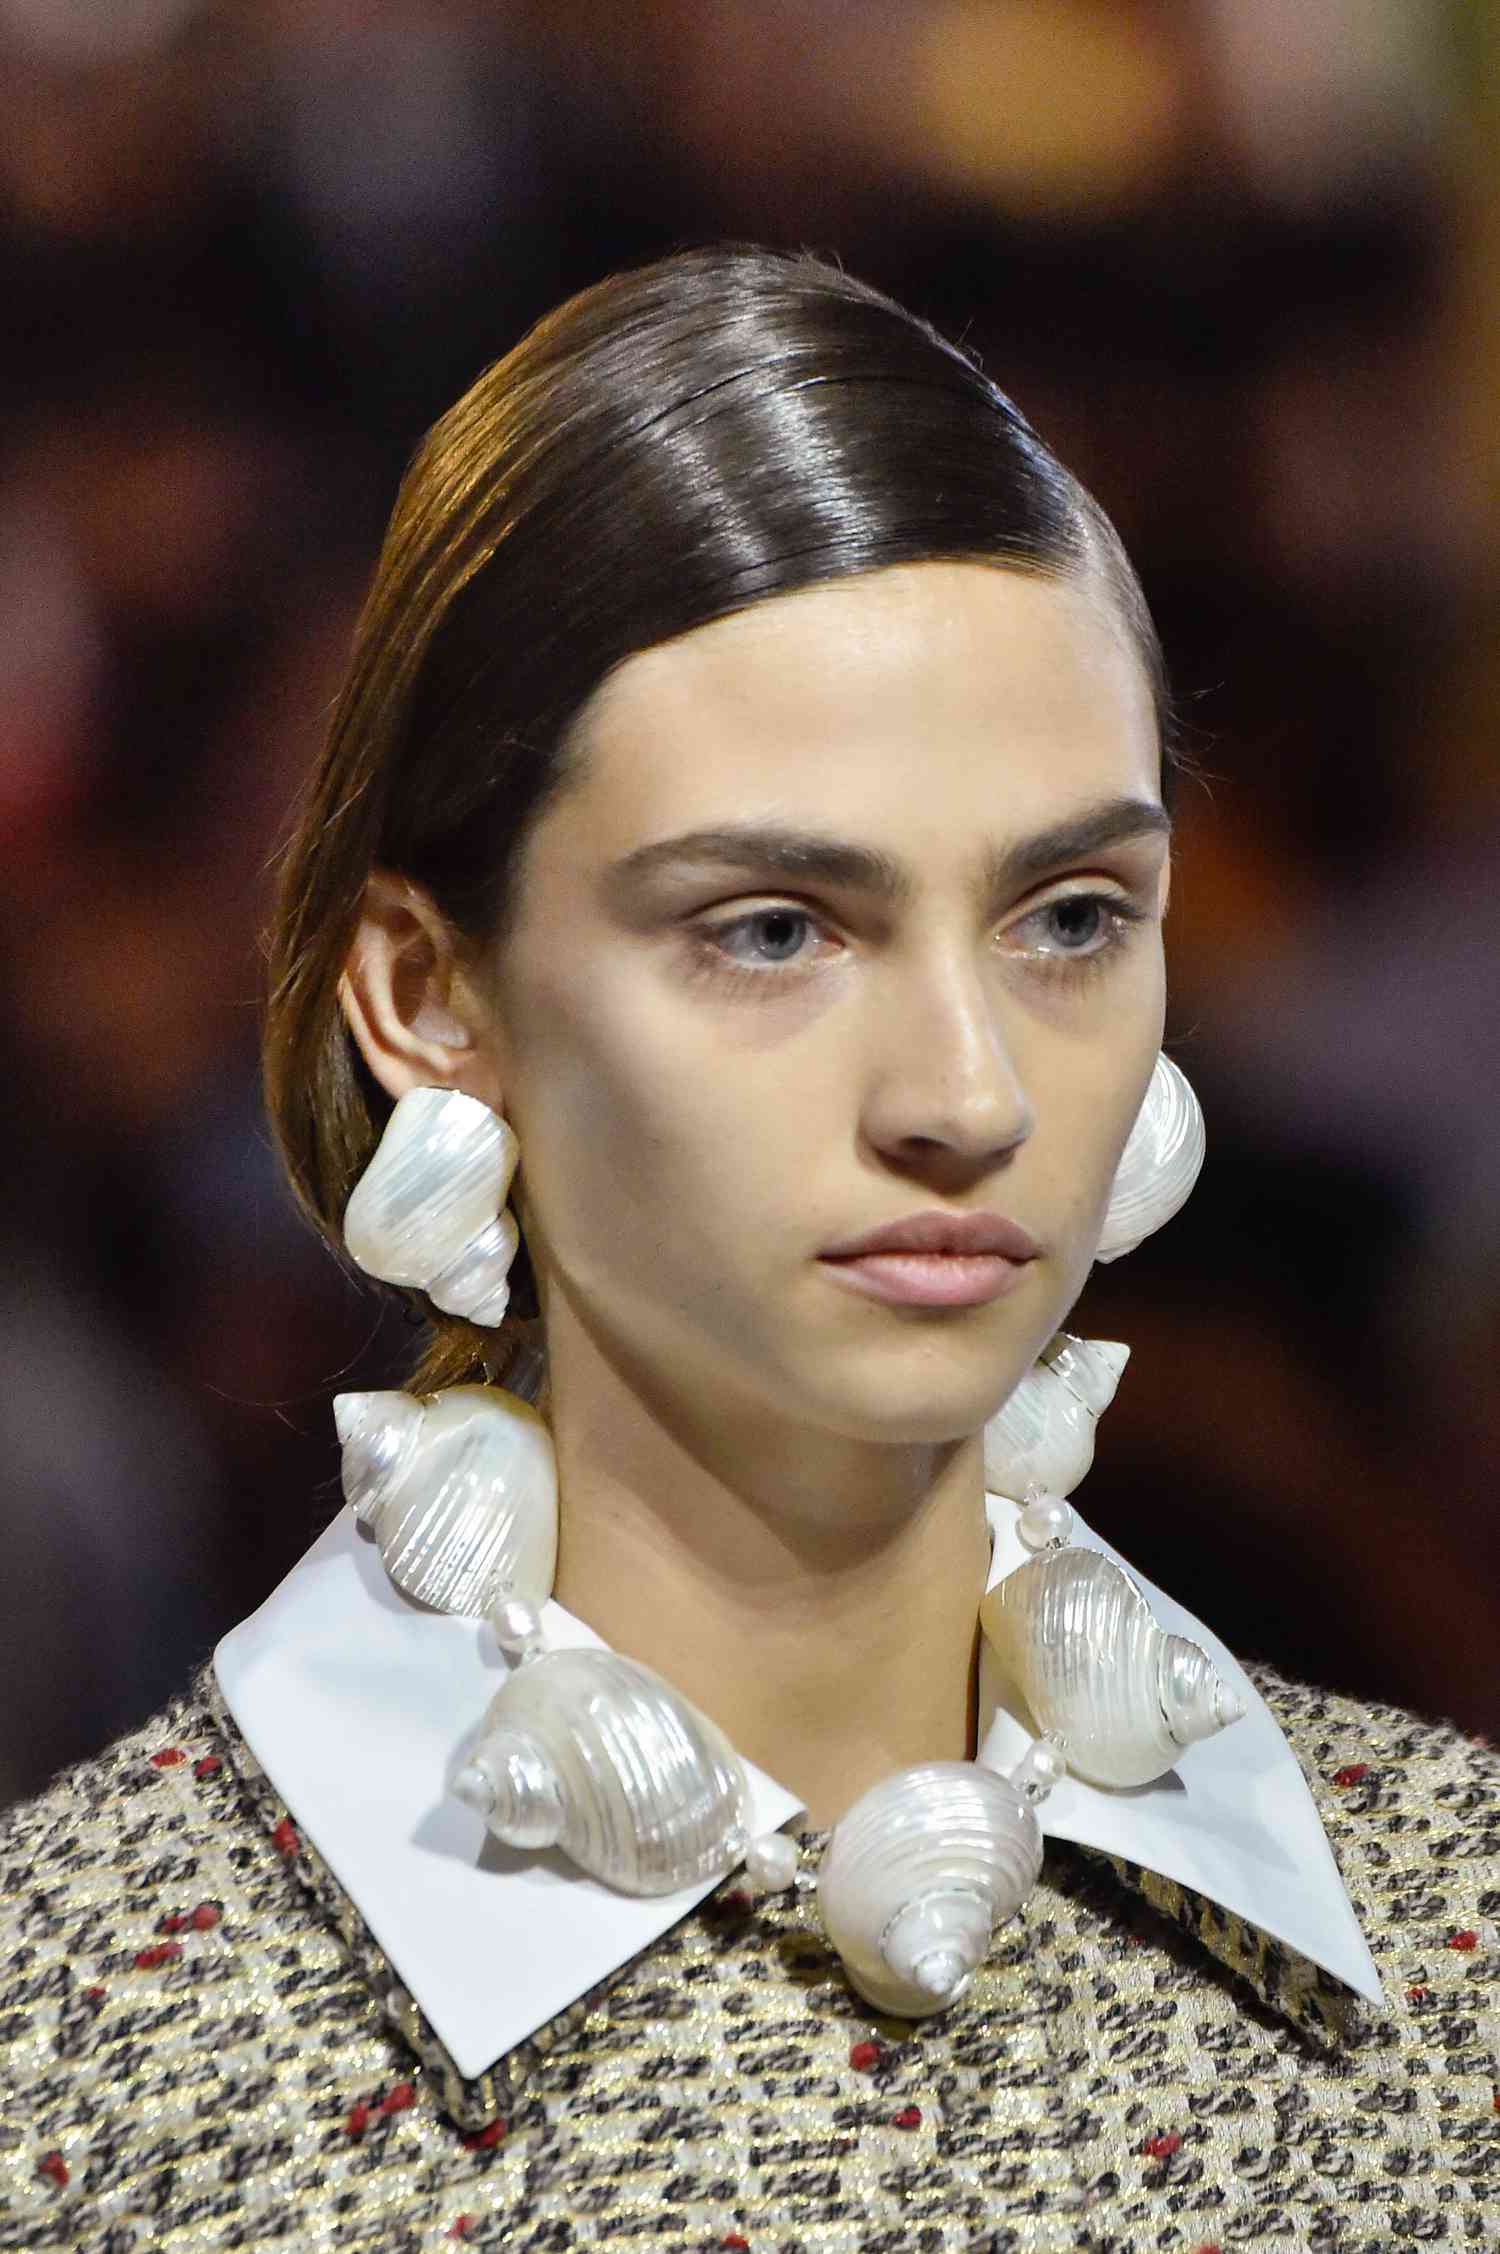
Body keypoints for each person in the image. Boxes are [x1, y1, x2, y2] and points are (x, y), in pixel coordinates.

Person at [2, 244, 1495, 2253]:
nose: (966, 1092)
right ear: (429, 997)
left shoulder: (1450, 1956)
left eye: (1069, 915)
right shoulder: (85, 2069)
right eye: (774, 927)